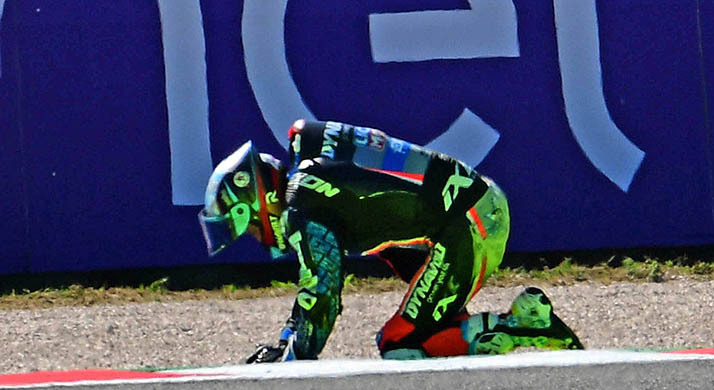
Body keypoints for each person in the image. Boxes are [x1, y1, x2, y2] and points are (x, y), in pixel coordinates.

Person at [199, 119, 583, 362]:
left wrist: (291, 362)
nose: (257, 236)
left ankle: (525, 328)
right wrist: (286, 338)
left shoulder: (302, 204)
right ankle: (493, 326)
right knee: (413, 307)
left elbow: (323, 293)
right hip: (472, 208)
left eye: (249, 226)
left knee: (398, 344)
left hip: (467, 224)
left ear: (258, 201)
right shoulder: (314, 165)